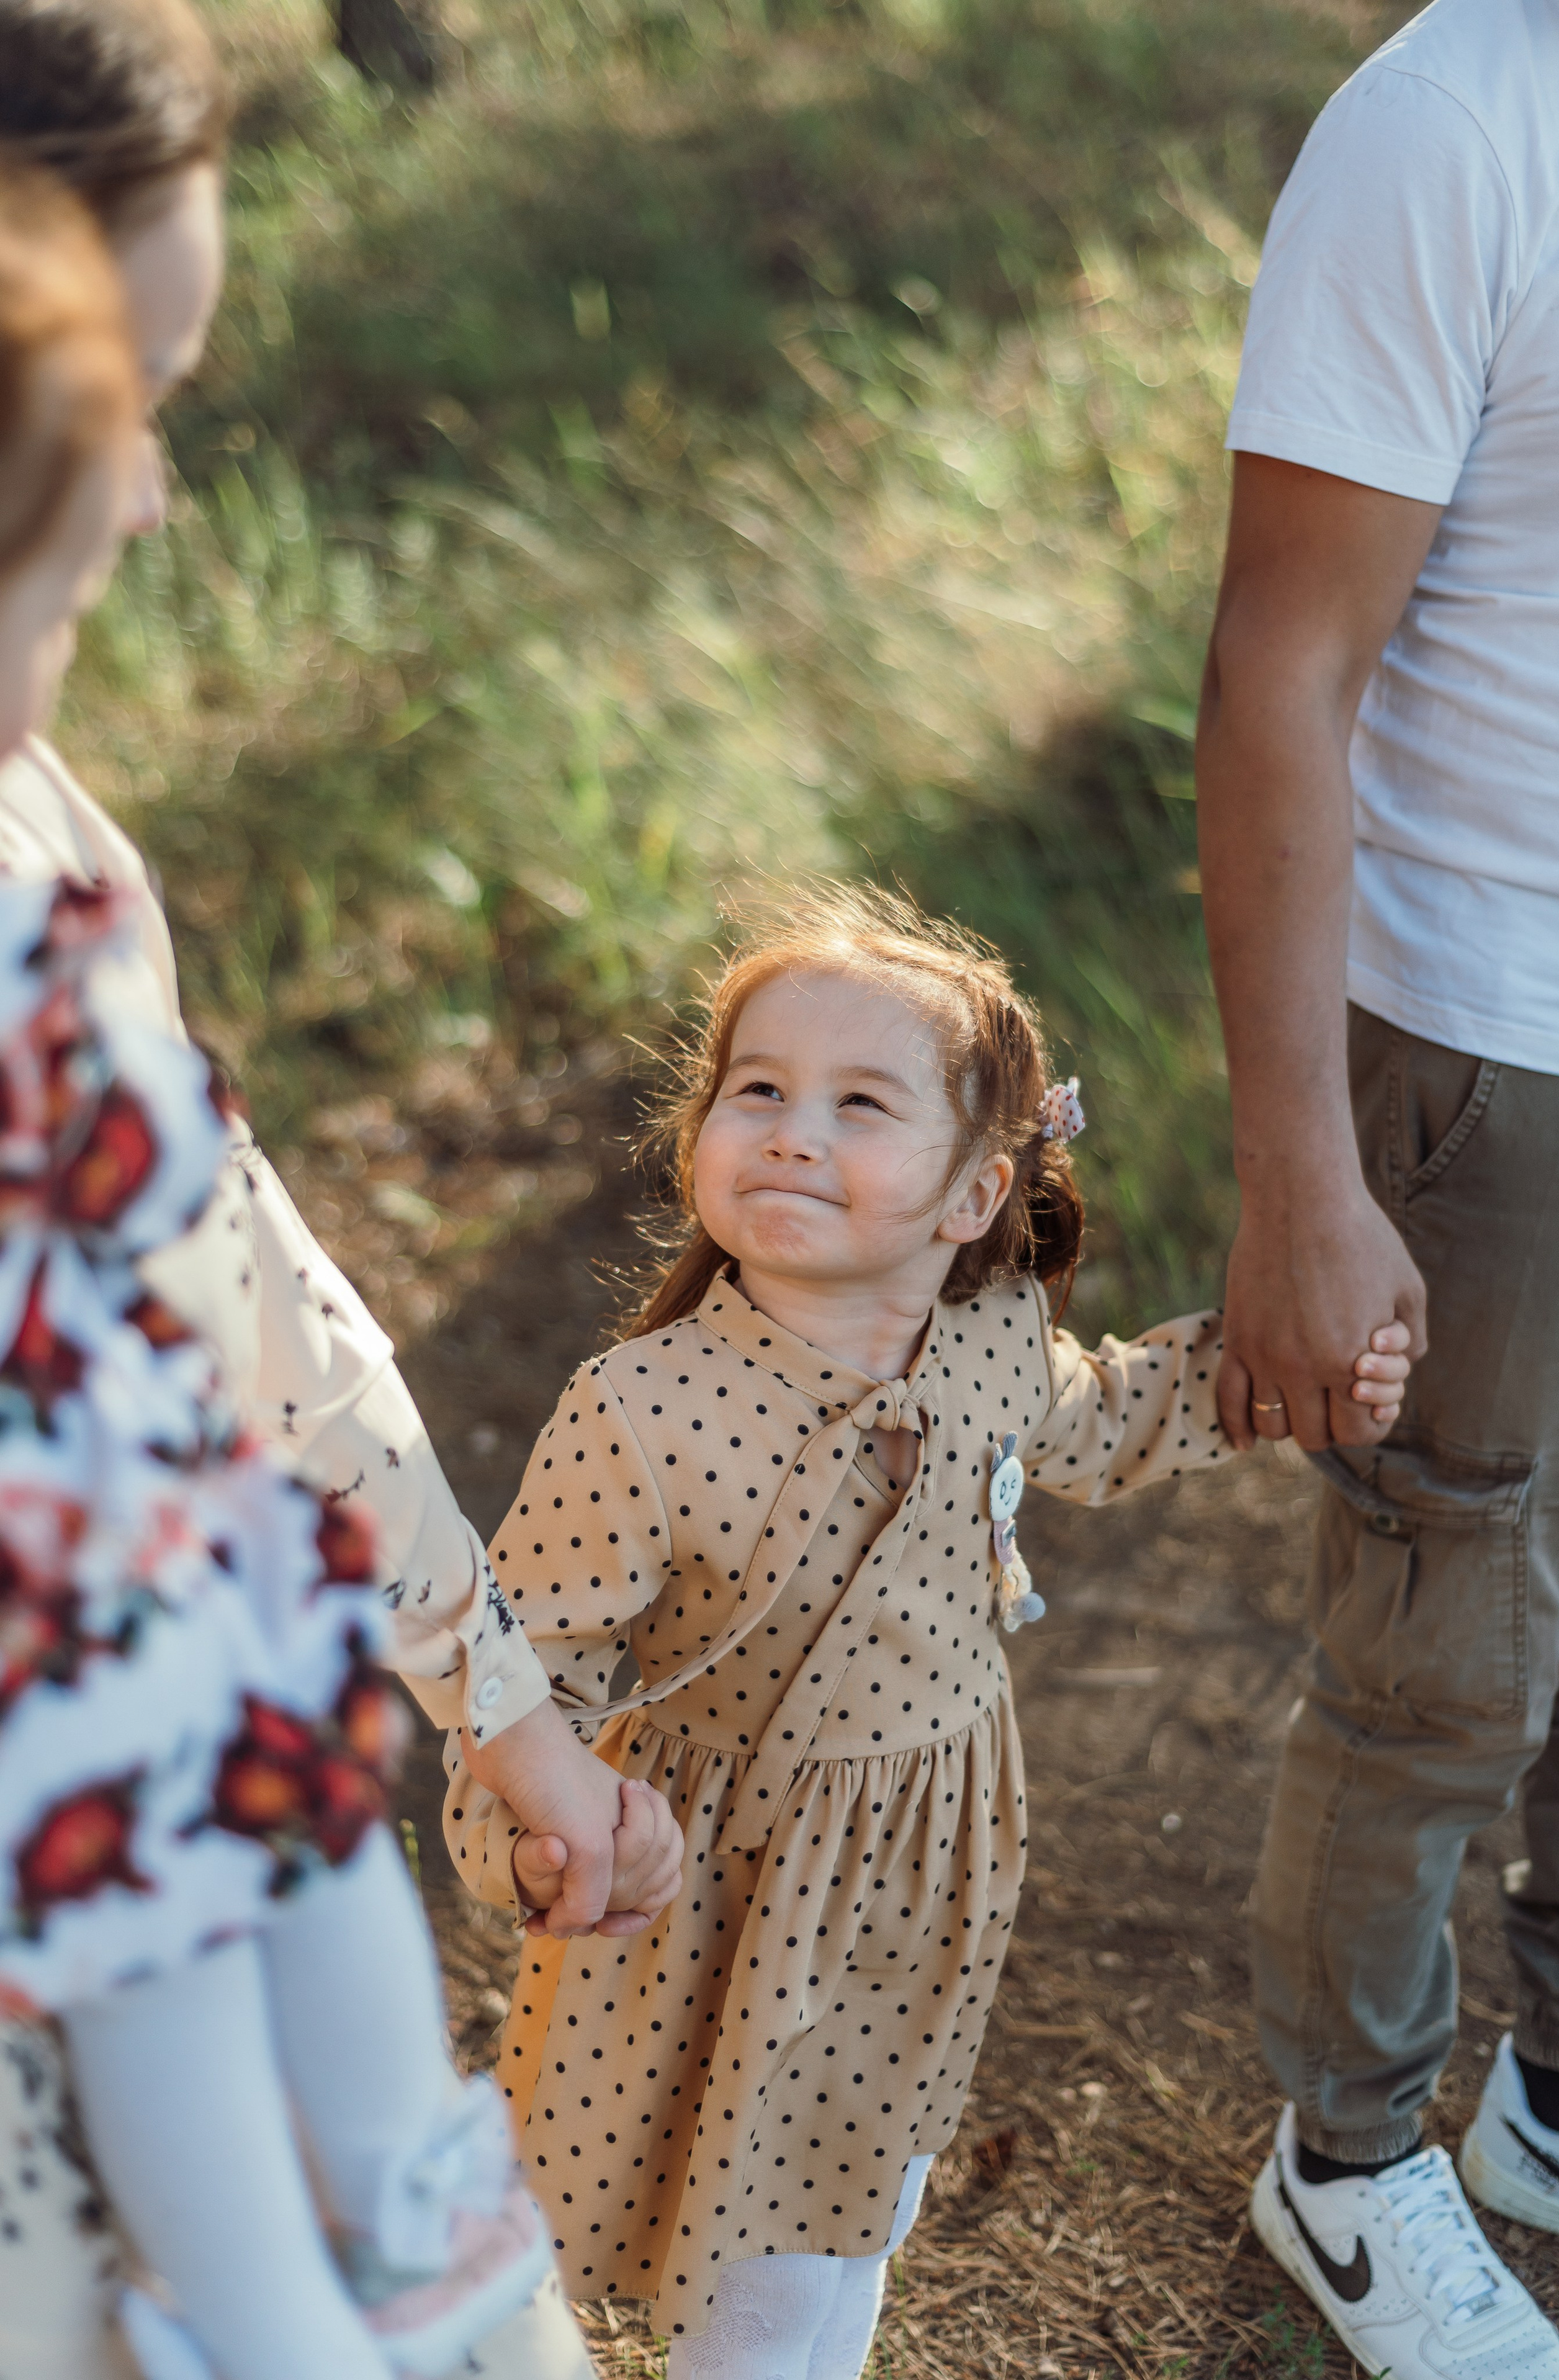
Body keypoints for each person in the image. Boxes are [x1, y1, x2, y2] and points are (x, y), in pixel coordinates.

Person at [0, 4, 678, 2374]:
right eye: (138, 403)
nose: (161, 493)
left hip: (173, 1783)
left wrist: (496, 1702)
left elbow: (251, 1287)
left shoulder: (54, 833)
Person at [445, 887, 1409, 2379]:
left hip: (922, 1853)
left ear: (973, 1196)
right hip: (711, 1873)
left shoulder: (991, 1334)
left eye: (857, 1103)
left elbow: (1106, 1419)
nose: (790, 1130)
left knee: (854, 2186)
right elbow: (521, 1660)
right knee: (731, 2236)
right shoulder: (644, 1410)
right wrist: (531, 1836)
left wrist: (1285, 1363)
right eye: (754, 1089)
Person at [1197, 2, 1559, 2374]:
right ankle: (1344, 2159)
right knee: (1446, 1645)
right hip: (1490, 1037)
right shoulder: (1458, 120)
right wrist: (1300, 1173)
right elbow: (1280, 665)